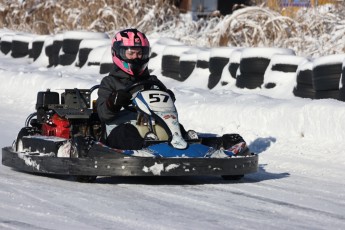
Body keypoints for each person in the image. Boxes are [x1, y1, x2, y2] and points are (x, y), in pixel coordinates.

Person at [96, 28, 179, 150]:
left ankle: (193, 152)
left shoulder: (153, 82)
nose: (136, 58)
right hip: (120, 130)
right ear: (118, 53)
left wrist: (168, 97)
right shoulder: (110, 82)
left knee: (178, 130)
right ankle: (144, 156)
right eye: (131, 53)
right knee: (127, 133)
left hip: (153, 129)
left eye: (139, 53)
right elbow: (103, 114)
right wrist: (113, 103)